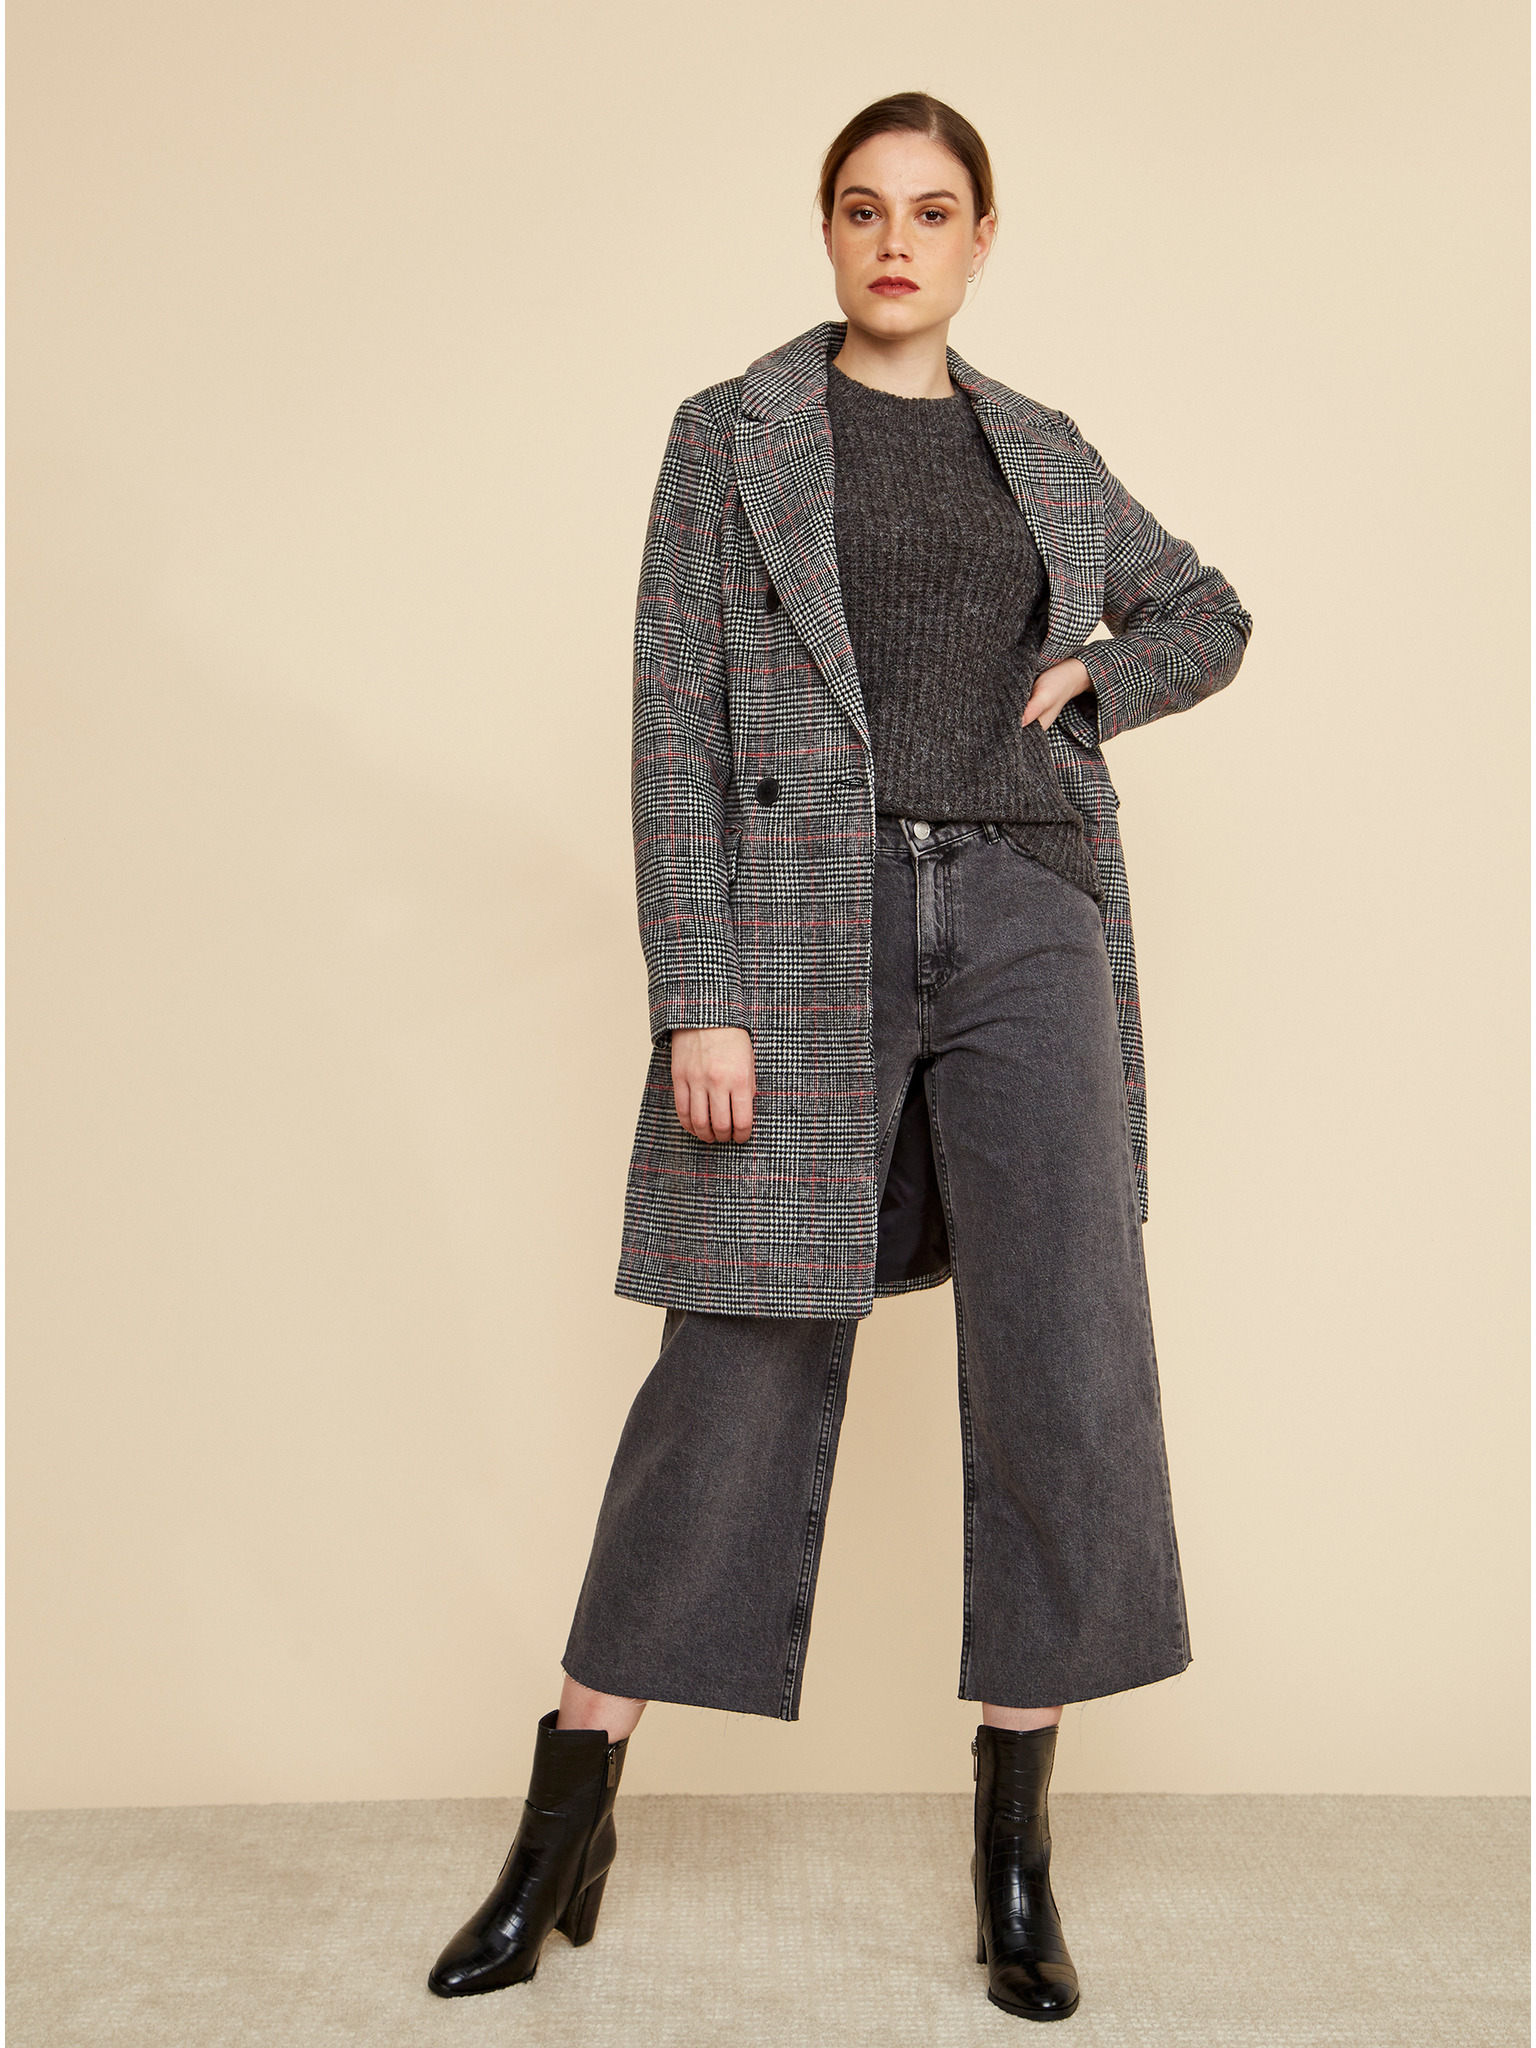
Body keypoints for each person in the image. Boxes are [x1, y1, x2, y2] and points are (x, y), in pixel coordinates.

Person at [428, 90, 1253, 2023]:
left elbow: (1210, 614)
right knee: (738, 1351)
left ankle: (1016, 1850)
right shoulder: (731, 436)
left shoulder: (1043, 448)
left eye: (934, 212)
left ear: (981, 240)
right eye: (866, 210)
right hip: (807, 935)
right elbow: (674, 729)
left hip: (1030, 917)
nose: (898, 242)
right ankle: (566, 1817)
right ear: (827, 233)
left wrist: (1099, 674)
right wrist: (696, 991)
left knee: (1062, 1354)